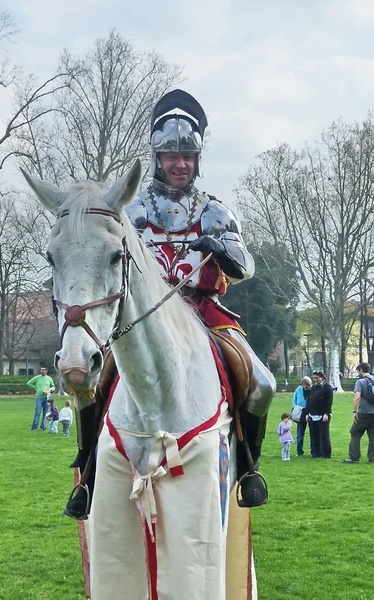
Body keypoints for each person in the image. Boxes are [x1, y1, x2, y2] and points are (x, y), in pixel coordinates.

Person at [125, 89, 276, 501]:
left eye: (187, 156)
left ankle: (248, 470)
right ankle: (88, 469)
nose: (180, 164)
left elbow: (245, 267)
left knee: (262, 384)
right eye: (172, 156)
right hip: (145, 315)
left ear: (197, 160)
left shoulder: (216, 211)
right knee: (95, 376)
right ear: (157, 158)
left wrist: (220, 247)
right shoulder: (132, 212)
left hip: (203, 311)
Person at [343, 362, 374, 464]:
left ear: (361, 370)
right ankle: (372, 458)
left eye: (358, 371)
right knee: (373, 436)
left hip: (364, 413)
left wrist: (354, 411)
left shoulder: (360, 382)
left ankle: (354, 458)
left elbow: (357, 397)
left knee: (355, 433)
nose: (357, 373)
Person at [305, 370, 333, 458]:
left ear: (322, 378)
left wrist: (326, 413)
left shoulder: (327, 387)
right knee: (314, 435)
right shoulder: (313, 388)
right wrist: (307, 413)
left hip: (322, 415)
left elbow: (329, 402)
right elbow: (309, 400)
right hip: (312, 414)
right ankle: (317, 453)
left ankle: (326, 454)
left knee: (324, 435)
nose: (316, 380)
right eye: (314, 378)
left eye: (317, 378)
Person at [292, 376, 315, 457]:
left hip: (311, 413)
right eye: (303, 384)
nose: (305, 386)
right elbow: (294, 399)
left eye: (307, 385)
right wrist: (295, 407)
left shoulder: (313, 390)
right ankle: (299, 451)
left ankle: (313, 451)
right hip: (300, 413)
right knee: (300, 434)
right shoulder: (299, 389)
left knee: (313, 434)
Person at [27, 367, 55, 431]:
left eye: (43, 370)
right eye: (41, 370)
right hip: (39, 398)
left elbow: (53, 386)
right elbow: (29, 383)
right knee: (37, 412)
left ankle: (43, 426)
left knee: (45, 413)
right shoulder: (37, 378)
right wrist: (35, 388)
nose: (41, 371)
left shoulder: (49, 378)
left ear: (46, 371)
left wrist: (50, 389)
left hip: (47, 397)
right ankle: (34, 427)